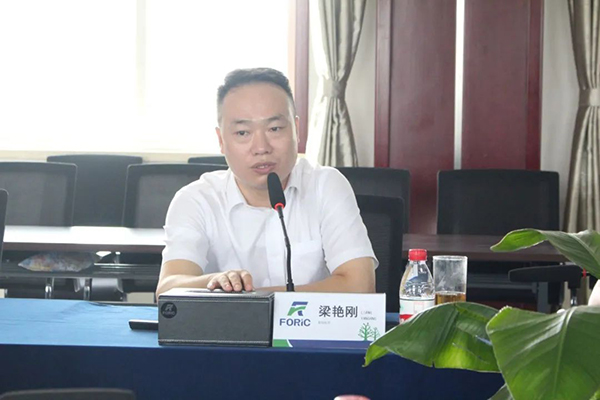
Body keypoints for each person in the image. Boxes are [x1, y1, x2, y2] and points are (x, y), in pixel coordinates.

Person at [155, 68, 377, 297]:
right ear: (221, 140)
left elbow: (360, 286)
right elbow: (168, 288)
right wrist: (213, 283)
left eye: (274, 129)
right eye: (243, 133)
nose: (261, 148)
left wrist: (251, 299)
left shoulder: (325, 186)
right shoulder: (196, 200)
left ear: (297, 130)